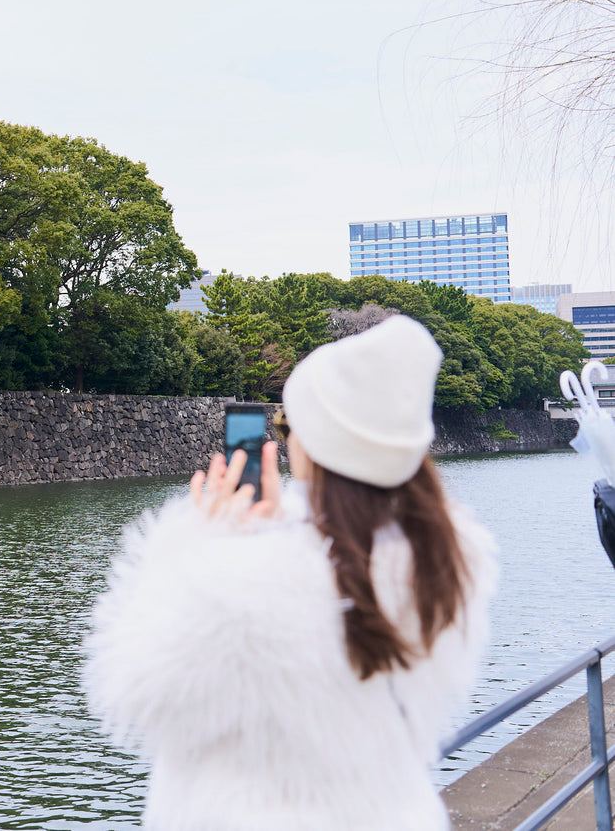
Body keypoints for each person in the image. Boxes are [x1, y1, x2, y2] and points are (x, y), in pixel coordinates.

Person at [82, 315, 497, 830]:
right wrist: (273, 530)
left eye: (287, 427)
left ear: (315, 443)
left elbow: (137, 692)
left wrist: (198, 539)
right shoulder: (447, 562)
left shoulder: (247, 588)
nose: (283, 440)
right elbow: (339, 553)